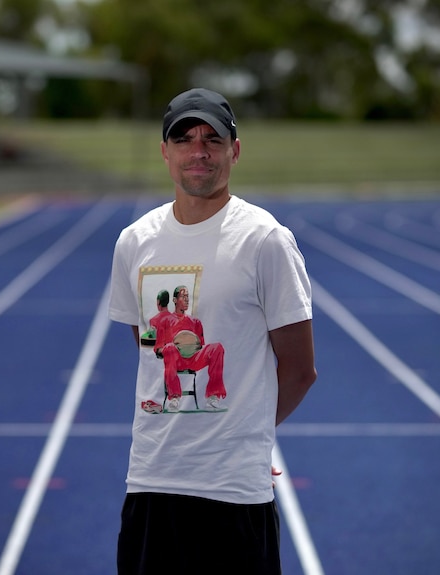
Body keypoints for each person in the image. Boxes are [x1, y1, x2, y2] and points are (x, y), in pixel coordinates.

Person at [108, 87, 317, 575]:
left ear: (234, 151)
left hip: (232, 491)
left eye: (212, 139)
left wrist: (248, 432)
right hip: (151, 482)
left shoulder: (266, 241)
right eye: (183, 138)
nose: (198, 150)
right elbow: (146, 355)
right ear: (165, 152)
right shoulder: (133, 242)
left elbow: (301, 370)